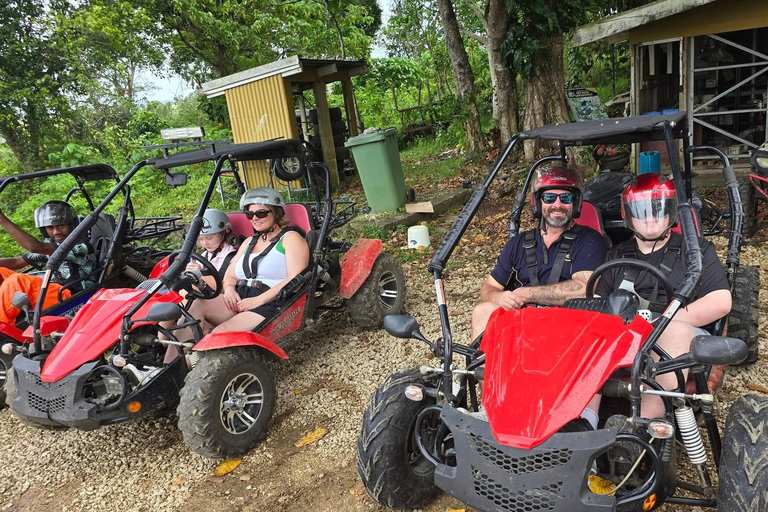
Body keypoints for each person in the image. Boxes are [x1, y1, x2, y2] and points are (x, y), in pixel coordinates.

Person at [594, 173, 731, 419]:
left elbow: (721, 301)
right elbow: (597, 303)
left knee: (672, 334)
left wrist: (663, 321)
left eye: (657, 209)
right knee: (590, 333)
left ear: (670, 212)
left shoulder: (696, 250)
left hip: (678, 333)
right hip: (624, 334)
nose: (649, 217)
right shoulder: (616, 254)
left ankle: (647, 430)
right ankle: (584, 424)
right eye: (640, 210)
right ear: (628, 215)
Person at [471, 165, 608, 341]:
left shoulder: (589, 240)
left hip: (567, 326)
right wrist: (500, 297)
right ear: (537, 202)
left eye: (565, 198)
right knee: (482, 311)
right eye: (549, 197)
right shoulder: (517, 243)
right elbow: (488, 289)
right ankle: (484, 368)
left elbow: (584, 289)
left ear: (575, 203)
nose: (557, 205)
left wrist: (525, 293)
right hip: (521, 324)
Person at [175, 188, 309, 338]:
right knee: (193, 307)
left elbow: (296, 279)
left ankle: (193, 358)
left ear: (276, 212)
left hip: (272, 301)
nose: (255, 218)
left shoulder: (291, 238)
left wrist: (258, 300)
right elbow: (230, 275)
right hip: (241, 295)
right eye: (250, 214)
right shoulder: (249, 242)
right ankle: (170, 360)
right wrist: (230, 289)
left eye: (261, 213)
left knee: (219, 335)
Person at [0, 200, 96, 324]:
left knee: (16, 281)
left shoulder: (80, 246)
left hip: (72, 297)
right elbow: (16, 262)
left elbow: (35, 247)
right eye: (50, 227)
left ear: (71, 225)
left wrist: (2, 219)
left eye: (61, 226)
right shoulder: (51, 247)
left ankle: (3, 330)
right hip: (55, 290)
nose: (56, 232)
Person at [186, 208, 237, 279]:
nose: (205, 243)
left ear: (222, 234)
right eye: (200, 239)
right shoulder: (204, 256)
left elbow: (225, 286)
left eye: (209, 238)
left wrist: (201, 273)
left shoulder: (233, 258)